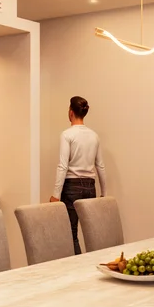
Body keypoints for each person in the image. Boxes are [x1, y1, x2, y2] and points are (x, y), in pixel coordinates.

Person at [49, 95, 108, 254]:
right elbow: (100, 165)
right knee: (92, 233)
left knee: (71, 234)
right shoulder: (94, 135)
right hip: (90, 187)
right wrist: (104, 193)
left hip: (71, 187)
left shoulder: (67, 134)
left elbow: (63, 165)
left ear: (71, 112)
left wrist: (55, 195)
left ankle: (77, 266)